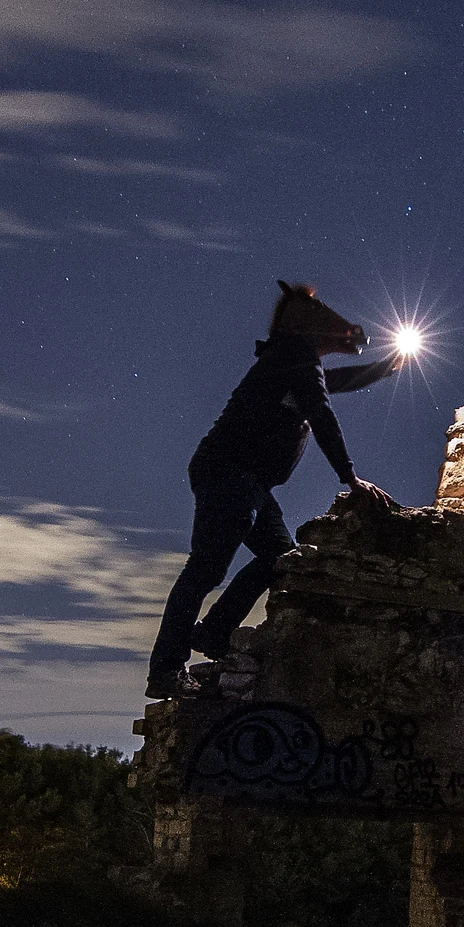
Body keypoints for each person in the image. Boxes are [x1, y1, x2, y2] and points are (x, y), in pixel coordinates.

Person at [146, 281, 400, 699]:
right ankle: (166, 669)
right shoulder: (295, 356)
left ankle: (213, 632)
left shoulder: (294, 361)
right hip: (230, 474)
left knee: (281, 559)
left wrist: (382, 368)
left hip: (249, 483)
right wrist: (349, 477)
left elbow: (330, 382)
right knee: (205, 569)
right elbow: (321, 410)